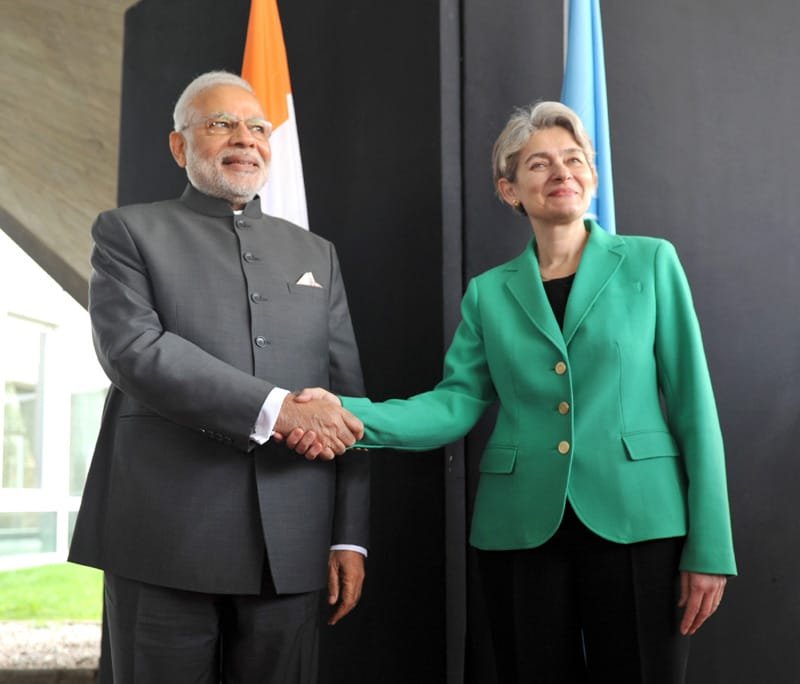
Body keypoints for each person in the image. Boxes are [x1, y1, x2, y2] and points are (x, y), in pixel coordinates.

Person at [287, 102, 736, 683]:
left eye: (574, 160)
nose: (561, 172)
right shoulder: (488, 294)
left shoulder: (651, 262)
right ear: (510, 189)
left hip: (642, 522)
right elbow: (453, 405)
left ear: (592, 178)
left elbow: (695, 407)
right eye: (540, 163)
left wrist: (711, 548)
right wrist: (344, 412)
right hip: (520, 529)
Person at [68, 70, 369, 683]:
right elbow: (134, 351)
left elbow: (346, 401)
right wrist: (280, 409)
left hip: (293, 540)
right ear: (181, 146)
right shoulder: (126, 231)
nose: (245, 138)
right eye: (220, 123)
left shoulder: (317, 254)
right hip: (161, 537)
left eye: (257, 127)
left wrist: (350, 536)